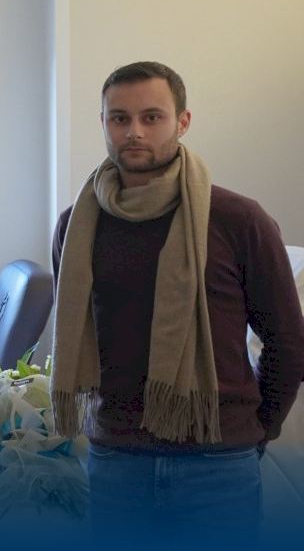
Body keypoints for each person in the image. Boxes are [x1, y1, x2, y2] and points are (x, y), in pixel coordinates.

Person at [50, 61, 304, 540]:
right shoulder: (77, 225)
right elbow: (79, 332)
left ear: (182, 122)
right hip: (117, 458)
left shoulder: (237, 219)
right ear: (103, 123)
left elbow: (288, 342)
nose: (134, 131)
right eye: (119, 118)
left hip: (217, 461)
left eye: (152, 117)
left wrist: (257, 429)